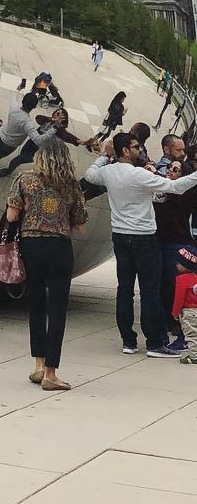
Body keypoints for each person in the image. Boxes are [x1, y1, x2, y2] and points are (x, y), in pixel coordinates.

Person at [83, 132, 197, 357]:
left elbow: (89, 174)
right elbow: (175, 186)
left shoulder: (108, 172)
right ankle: (155, 342)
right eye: (135, 147)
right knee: (149, 290)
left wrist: (104, 156)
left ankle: (128, 341)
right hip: (144, 237)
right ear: (125, 150)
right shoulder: (137, 175)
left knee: (124, 289)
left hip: (120, 236)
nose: (139, 150)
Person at [4, 138, 88, 391]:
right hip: (60, 248)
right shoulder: (71, 184)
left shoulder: (25, 178)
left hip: (31, 247)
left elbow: (11, 215)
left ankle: (39, 365)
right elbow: (82, 225)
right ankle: (52, 372)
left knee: (37, 304)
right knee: (58, 308)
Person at [154, 134, 197, 347]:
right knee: (165, 285)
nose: (171, 171)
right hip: (163, 241)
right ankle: (169, 322)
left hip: (179, 241)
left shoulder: (184, 189)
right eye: (178, 150)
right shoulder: (159, 183)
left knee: (178, 286)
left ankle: (179, 325)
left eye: (176, 169)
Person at [0, 83, 49, 173]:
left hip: (1, 135)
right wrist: (53, 129)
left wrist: (18, 89)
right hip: (9, 144)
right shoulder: (27, 123)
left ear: (23, 101)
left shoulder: (14, 107)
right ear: (33, 107)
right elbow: (38, 139)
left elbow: (14, 97)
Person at [0, 108, 90, 178]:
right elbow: (38, 118)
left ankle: (8, 171)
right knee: (22, 155)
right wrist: (52, 120)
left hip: (37, 149)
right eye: (57, 113)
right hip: (31, 143)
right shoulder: (47, 121)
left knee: (17, 159)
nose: (57, 116)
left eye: (60, 116)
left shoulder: (59, 129)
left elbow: (68, 136)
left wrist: (81, 142)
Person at [171, 248, 197, 364]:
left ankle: (194, 356)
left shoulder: (182, 280)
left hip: (188, 312)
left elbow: (179, 298)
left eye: (178, 263)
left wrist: (175, 312)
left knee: (191, 335)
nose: (176, 265)